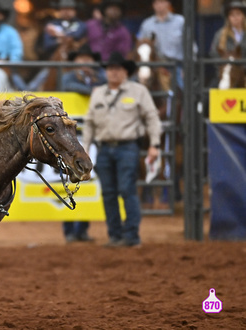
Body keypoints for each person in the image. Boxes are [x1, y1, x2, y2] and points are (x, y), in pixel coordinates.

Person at [82, 52, 162, 248]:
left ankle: (131, 235)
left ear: (126, 72)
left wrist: (155, 144)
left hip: (128, 146)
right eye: (110, 69)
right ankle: (115, 235)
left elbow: (152, 118)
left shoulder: (138, 91)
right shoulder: (98, 92)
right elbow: (89, 123)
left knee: (127, 190)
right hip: (104, 148)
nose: (113, 72)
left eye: (118, 69)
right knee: (109, 193)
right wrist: (84, 148)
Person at [59, 44, 105, 243]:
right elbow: (68, 87)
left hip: (92, 133)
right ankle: (69, 229)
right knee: (70, 179)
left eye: (88, 59)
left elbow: (103, 88)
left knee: (88, 180)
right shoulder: (69, 77)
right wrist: (91, 90)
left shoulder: (100, 78)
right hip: (70, 136)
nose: (85, 63)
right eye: (81, 59)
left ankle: (83, 228)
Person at [137, 0, 185, 88]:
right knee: (137, 85)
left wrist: (186, 68)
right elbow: (140, 46)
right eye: (156, 2)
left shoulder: (180, 22)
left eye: (162, 2)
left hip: (176, 65)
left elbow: (190, 47)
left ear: (168, 3)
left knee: (185, 90)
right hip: (154, 66)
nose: (159, 5)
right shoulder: (147, 24)